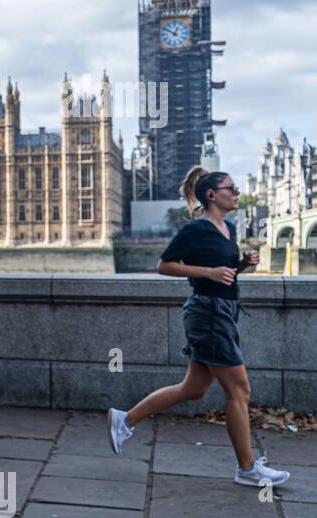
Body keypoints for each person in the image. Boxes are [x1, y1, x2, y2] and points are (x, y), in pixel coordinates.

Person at [108, 167, 288, 487]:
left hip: (224, 312)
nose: (236, 193)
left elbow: (225, 273)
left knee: (193, 389)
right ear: (211, 195)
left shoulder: (228, 228)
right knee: (240, 389)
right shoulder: (196, 230)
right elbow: (164, 265)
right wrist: (207, 272)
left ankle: (125, 419)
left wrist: (242, 264)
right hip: (207, 313)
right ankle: (247, 469)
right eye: (230, 189)